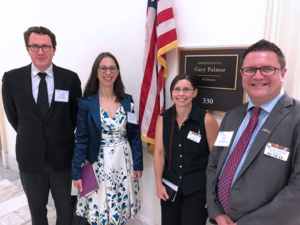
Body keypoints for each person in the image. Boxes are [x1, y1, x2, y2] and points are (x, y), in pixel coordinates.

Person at [206, 39, 300, 225]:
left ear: (283, 73)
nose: (257, 76)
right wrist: (216, 211)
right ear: (242, 74)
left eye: (267, 69)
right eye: (250, 70)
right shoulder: (232, 116)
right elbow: (213, 165)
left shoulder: (296, 118)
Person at [2, 26, 82, 225]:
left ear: (54, 49)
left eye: (46, 46)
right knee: (37, 210)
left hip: (62, 158)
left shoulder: (70, 79)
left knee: (64, 208)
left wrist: (58, 135)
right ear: (27, 49)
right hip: (30, 157)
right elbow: (13, 116)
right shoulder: (11, 79)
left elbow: (74, 116)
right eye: (35, 46)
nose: (40, 51)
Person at [72, 52, 143, 225]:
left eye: (112, 68)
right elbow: (81, 139)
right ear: (96, 71)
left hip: (123, 163)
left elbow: (134, 135)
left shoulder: (128, 101)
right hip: (98, 164)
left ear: (117, 72)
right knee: (100, 211)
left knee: (120, 208)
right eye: (103, 68)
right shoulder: (86, 103)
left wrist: (138, 163)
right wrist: (76, 172)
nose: (108, 72)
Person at [154, 74, 219, 225]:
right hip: (169, 189)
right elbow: (159, 153)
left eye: (186, 89)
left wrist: (212, 194)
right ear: (171, 93)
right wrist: (158, 184)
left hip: (198, 190)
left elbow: (217, 159)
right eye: (177, 89)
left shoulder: (206, 120)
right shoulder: (163, 119)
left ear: (194, 92)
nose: (181, 94)